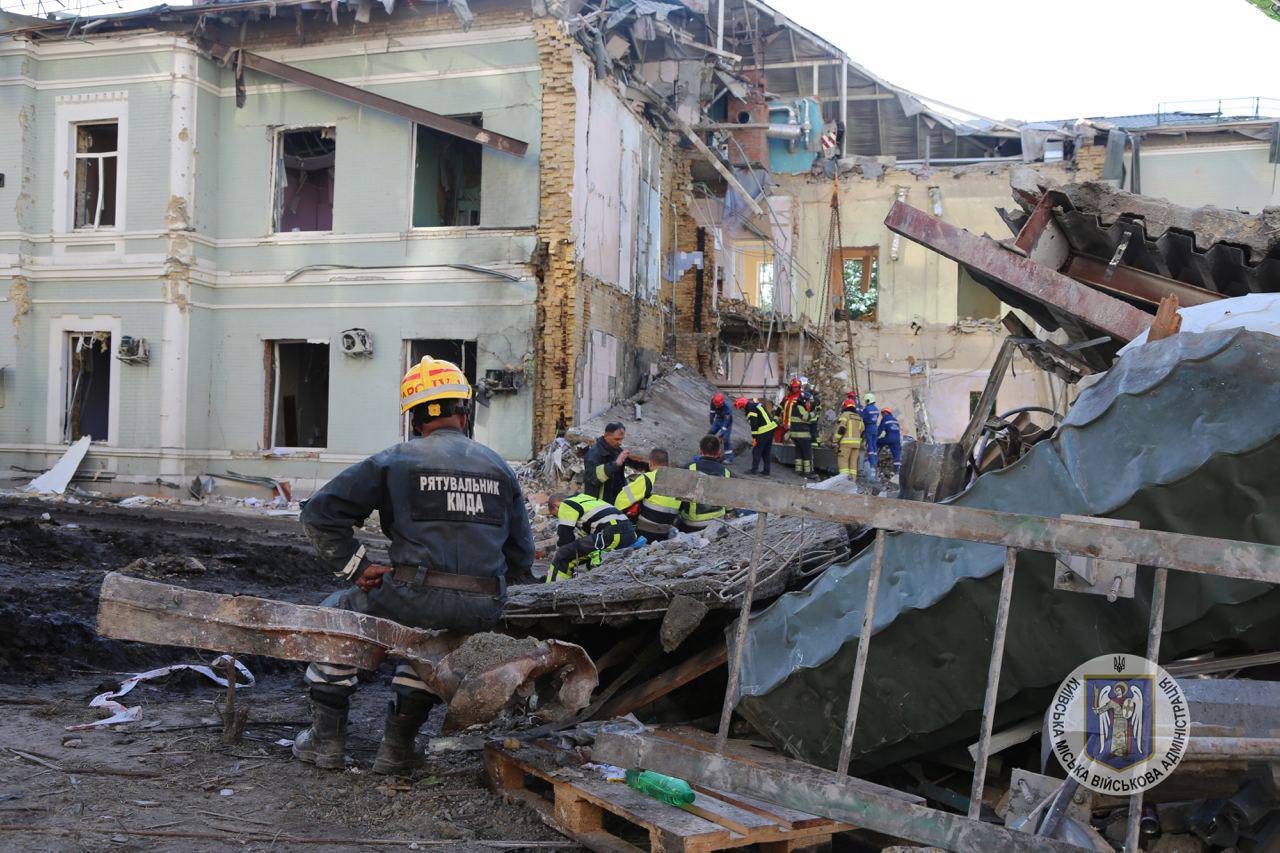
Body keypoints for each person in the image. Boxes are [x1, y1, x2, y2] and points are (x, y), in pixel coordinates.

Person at [293, 356, 534, 775]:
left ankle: (326, 743)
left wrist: (357, 568)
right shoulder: (499, 467)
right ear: (464, 412)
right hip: (483, 606)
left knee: (337, 617)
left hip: (412, 594)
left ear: (415, 418)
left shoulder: (394, 461)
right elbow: (521, 555)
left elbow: (319, 514)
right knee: (431, 642)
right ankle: (397, 748)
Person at [546, 492, 637, 582]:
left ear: (556, 506)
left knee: (562, 555)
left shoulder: (566, 504)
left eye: (555, 515)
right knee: (590, 556)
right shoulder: (585, 498)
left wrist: (557, 556)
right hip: (629, 534)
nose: (558, 517)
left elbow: (565, 538)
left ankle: (552, 588)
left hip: (612, 534)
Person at [614, 448, 681, 541]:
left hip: (645, 533)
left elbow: (622, 499)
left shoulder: (648, 479)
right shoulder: (678, 481)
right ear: (667, 464)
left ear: (650, 464)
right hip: (666, 532)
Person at [678, 434, 731, 532]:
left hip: (692, 523)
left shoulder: (689, 468)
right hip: (717, 522)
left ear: (700, 451)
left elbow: (678, 495)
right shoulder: (726, 472)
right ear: (718, 453)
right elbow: (729, 505)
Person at [583, 423, 629, 503]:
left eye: (622, 439)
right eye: (617, 439)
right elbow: (593, 478)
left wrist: (629, 498)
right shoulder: (594, 454)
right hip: (598, 503)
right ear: (606, 436)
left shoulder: (617, 451)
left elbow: (621, 478)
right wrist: (615, 465)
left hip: (614, 501)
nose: (620, 443)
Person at [735, 396, 777, 476]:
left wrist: (754, 438)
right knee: (766, 451)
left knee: (756, 450)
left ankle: (754, 470)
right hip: (771, 428)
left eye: (741, 407)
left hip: (764, 430)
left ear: (743, 405)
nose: (742, 409)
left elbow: (754, 425)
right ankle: (766, 471)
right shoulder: (756, 405)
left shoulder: (750, 411)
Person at [834, 396, 862, 479]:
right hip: (856, 445)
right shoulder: (859, 417)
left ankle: (844, 480)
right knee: (853, 464)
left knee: (843, 462)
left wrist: (835, 440)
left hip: (846, 444)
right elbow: (862, 430)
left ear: (845, 406)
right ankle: (853, 482)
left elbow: (841, 429)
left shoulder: (845, 415)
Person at [790, 391, 817, 477]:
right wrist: (814, 413)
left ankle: (798, 470)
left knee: (799, 454)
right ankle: (809, 472)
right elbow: (806, 417)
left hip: (795, 435)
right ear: (804, 400)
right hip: (803, 435)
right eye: (808, 401)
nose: (809, 403)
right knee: (807, 454)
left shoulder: (795, 407)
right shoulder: (800, 407)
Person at [877, 406, 902, 478]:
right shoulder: (895, 420)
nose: (882, 415)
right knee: (897, 456)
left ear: (885, 412)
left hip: (889, 438)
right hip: (897, 439)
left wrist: (875, 438)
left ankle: (873, 459)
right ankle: (898, 472)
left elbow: (880, 430)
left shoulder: (885, 418)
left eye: (882, 414)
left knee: (877, 442)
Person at [708, 392, 734, 462]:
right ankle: (708, 453)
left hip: (727, 421)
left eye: (718, 405)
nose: (716, 407)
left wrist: (721, 434)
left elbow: (726, 422)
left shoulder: (727, 407)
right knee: (710, 434)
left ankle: (729, 458)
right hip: (718, 419)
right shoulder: (713, 401)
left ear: (722, 403)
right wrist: (711, 421)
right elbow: (712, 411)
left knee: (725, 439)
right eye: (715, 405)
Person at [859, 393, 880, 480]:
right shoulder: (876, 409)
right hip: (875, 428)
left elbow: (864, 419)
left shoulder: (867, 409)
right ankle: (875, 463)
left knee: (870, 447)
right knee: (874, 447)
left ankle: (871, 465)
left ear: (868, 400)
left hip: (869, 428)